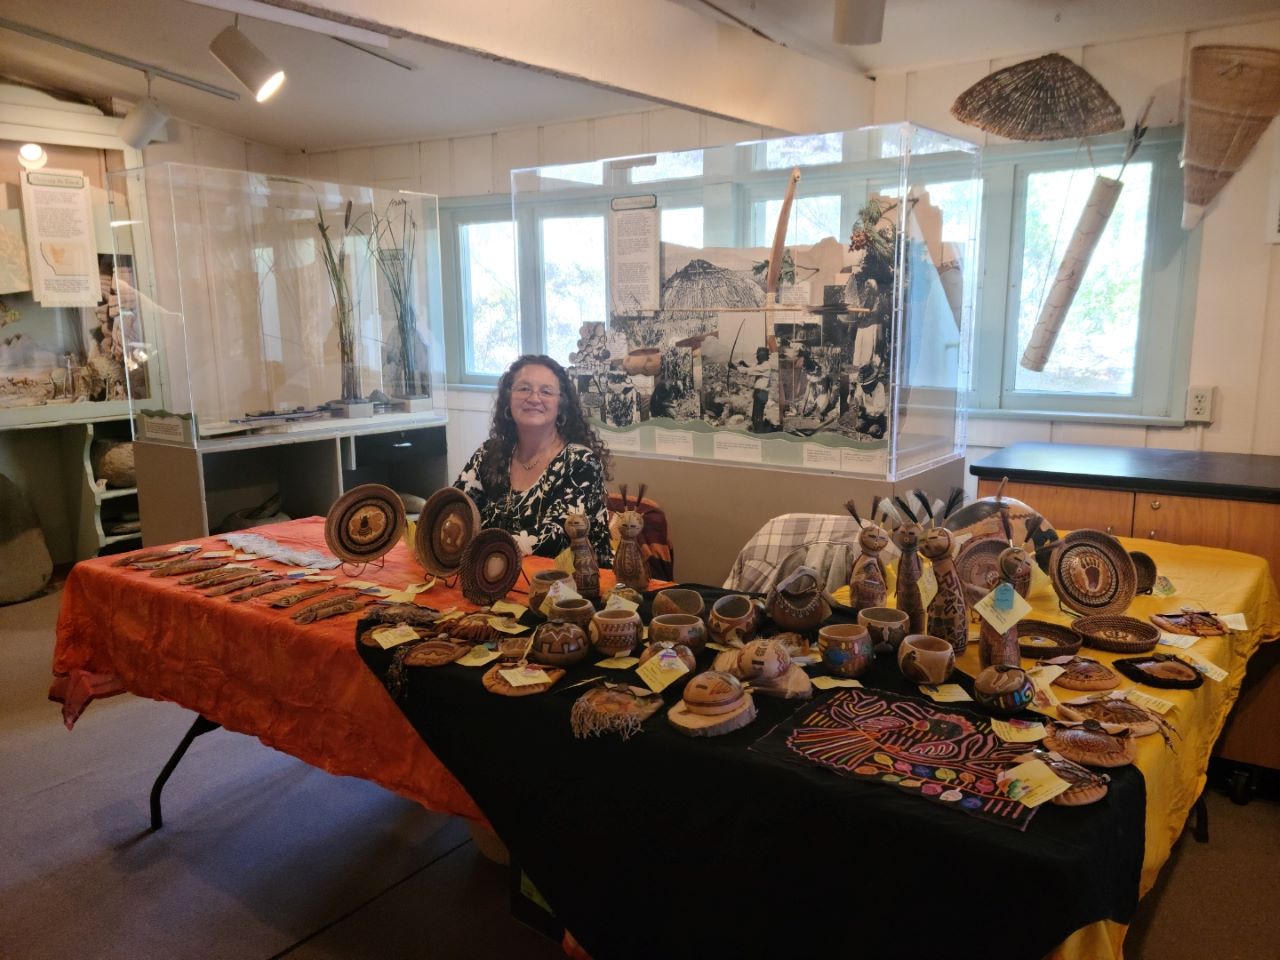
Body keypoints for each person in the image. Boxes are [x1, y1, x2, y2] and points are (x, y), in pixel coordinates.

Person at [454, 355, 614, 564]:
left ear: (561, 405)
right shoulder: (488, 453)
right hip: (489, 579)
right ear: (508, 399)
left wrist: (484, 549)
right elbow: (456, 509)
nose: (534, 398)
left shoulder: (581, 462)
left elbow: (556, 539)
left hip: (572, 587)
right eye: (524, 389)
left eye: (546, 391)